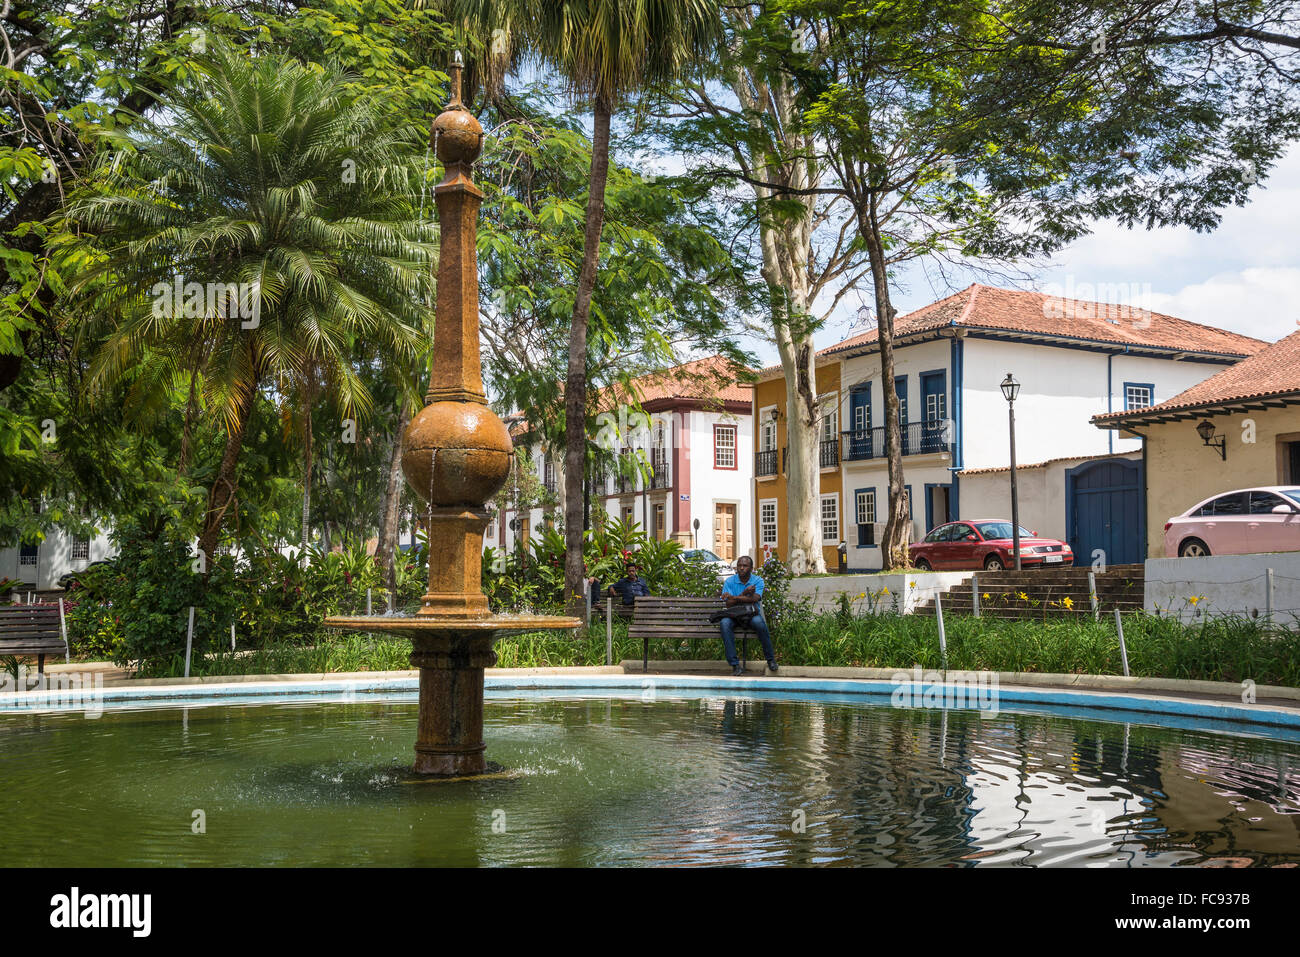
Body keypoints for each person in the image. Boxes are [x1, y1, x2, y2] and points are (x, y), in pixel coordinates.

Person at [719, 555, 778, 676]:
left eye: (745, 566)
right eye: (739, 565)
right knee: (724, 623)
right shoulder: (730, 581)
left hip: (750, 614)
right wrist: (745, 593)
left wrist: (734, 597)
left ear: (751, 568)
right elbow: (729, 605)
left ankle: (771, 660)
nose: (741, 568)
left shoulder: (757, 580)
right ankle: (735, 665)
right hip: (733, 614)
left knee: (759, 623)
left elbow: (755, 598)